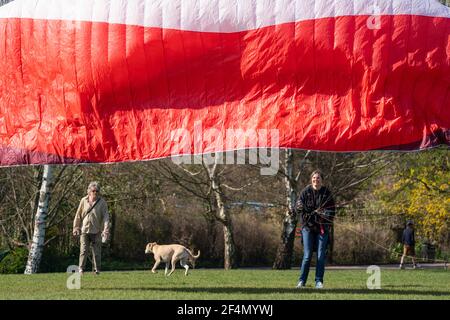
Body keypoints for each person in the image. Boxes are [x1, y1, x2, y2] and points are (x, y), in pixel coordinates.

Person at [295, 170, 335, 289]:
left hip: (322, 228)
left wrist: (325, 214)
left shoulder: (327, 193)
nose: (316, 180)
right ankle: (302, 281)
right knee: (307, 256)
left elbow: (332, 210)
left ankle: (319, 281)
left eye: (318, 178)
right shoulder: (305, 192)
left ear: (321, 180)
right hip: (308, 228)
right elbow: (298, 207)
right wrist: (299, 207)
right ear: (311, 179)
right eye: (314, 178)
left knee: (320, 256)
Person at [73, 181, 110, 275]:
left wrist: (106, 230)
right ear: (89, 191)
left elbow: (106, 216)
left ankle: (96, 270)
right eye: (93, 191)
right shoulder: (83, 200)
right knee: (83, 250)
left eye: (97, 191)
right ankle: (81, 269)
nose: (95, 193)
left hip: (96, 230)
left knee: (96, 252)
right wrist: (76, 227)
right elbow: (78, 215)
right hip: (84, 230)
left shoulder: (102, 202)